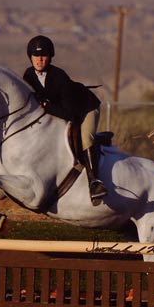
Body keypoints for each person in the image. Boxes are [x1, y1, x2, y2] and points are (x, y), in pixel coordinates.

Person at [23, 35, 107, 206]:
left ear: (50, 57)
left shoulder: (59, 76)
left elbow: (71, 114)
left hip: (85, 109)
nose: (39, 59)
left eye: (44, 55)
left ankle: (94, 182)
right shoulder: (28, 75)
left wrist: (47, 107)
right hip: (59, 111)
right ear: (30, 57)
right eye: (35, 55)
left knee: (86, 139)